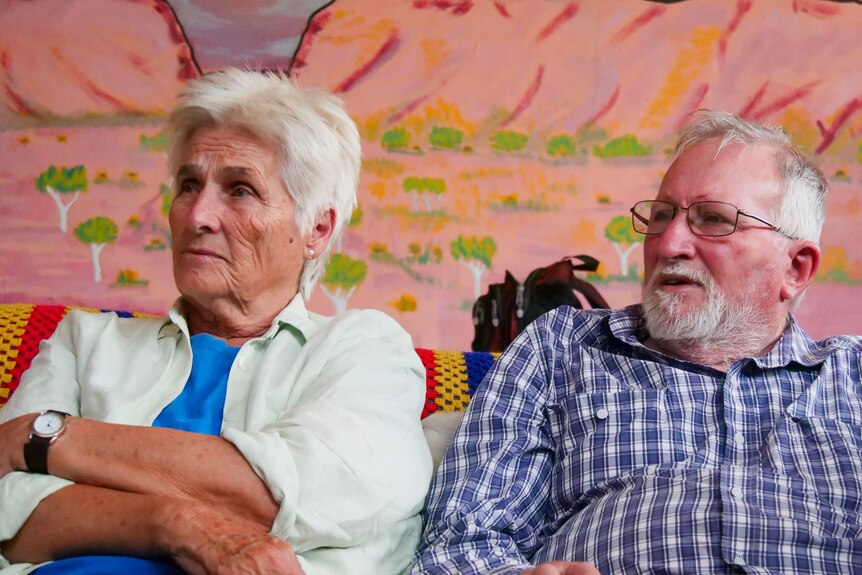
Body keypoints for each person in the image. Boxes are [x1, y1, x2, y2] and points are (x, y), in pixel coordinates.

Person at [0, 68, 432, 575]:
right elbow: (9, 511)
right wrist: (171, 523)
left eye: (240, 189)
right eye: (188, 184)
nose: (197, 214)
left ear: (316, 228)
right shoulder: (85, 340)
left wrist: (42, 438)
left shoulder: (364, 349)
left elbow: (294, 493)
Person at [411, 110, 862, 574]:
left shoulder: (853, 377)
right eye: (661, 215)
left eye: (713, 220)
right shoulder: (561, 349)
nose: (667, 244)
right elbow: (460, 544)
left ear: (796, 269)